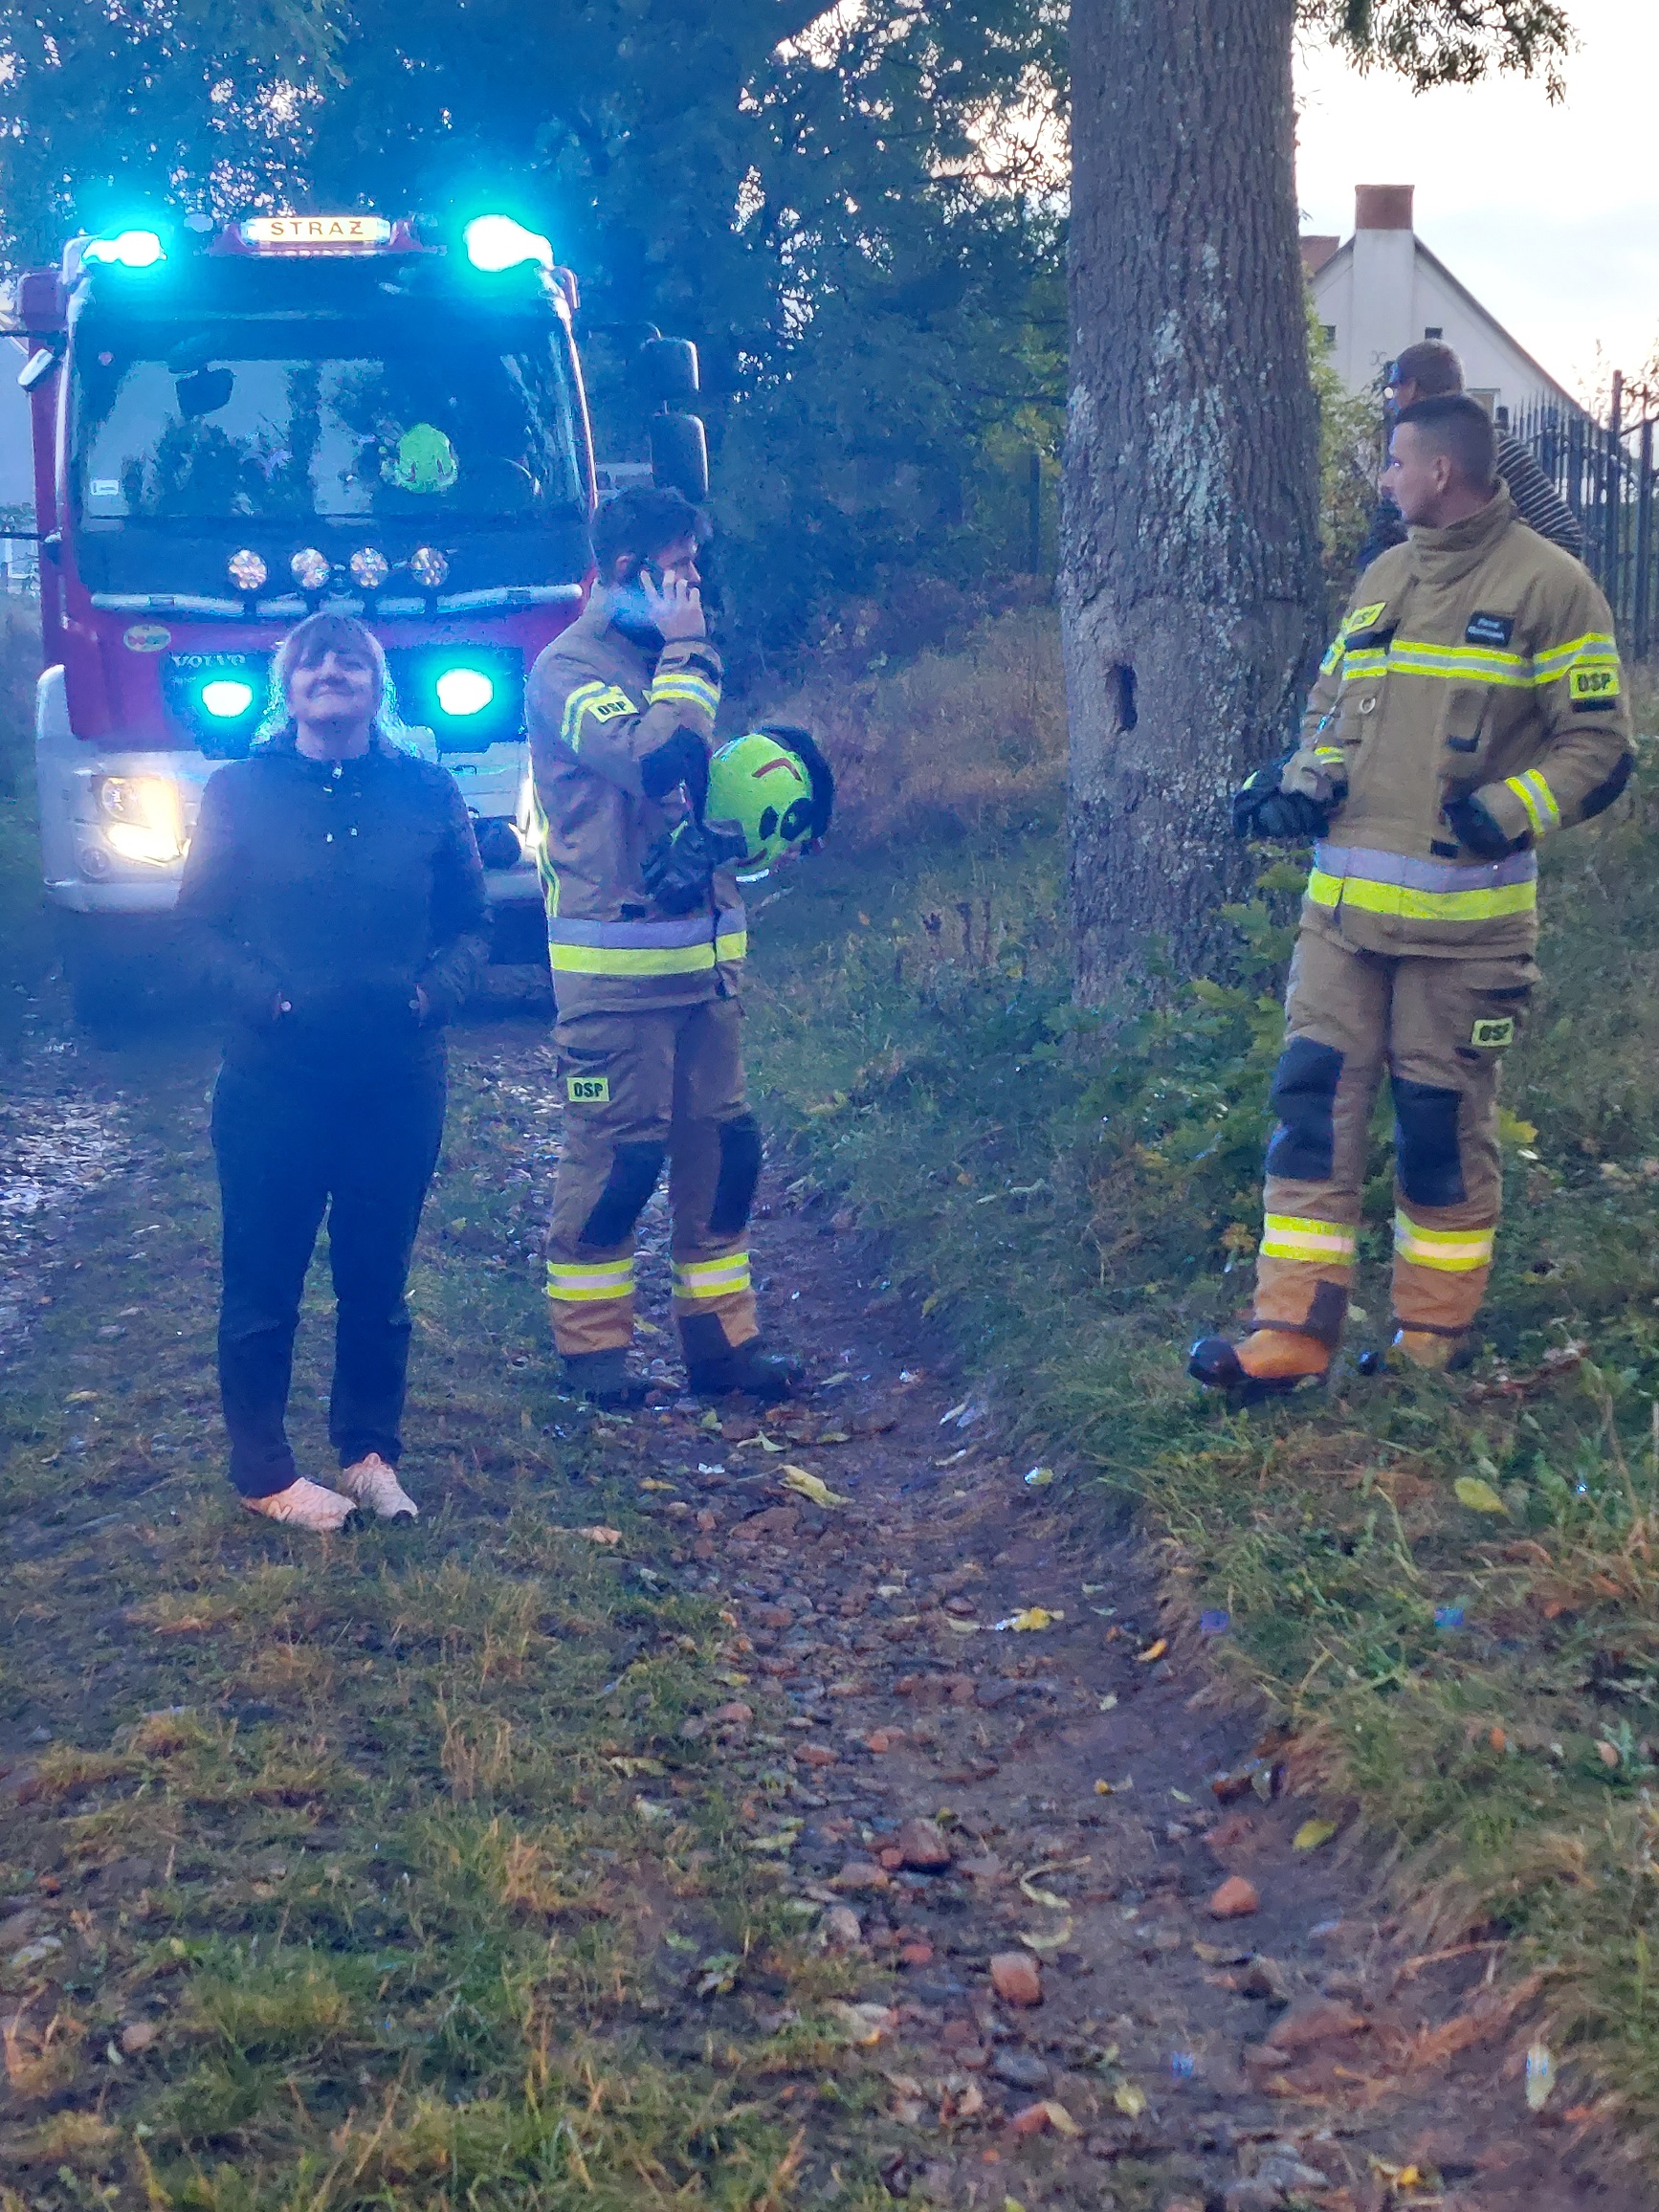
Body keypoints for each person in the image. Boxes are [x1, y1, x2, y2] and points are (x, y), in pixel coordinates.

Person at [1196, 394, 1632, 1396]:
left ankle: (1432, 1336)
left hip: (1465, 933)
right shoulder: (1384, 576)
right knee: (1311, 1107)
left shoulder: (1552, 586)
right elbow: (1329, 709)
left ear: (1441, 471)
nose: (1384, 479)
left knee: (1439, 1124)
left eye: (1394, 462)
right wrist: (1304, 780)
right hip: (1341, 922)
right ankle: (1290, 1330)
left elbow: (1600, 746)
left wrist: (1507, 811)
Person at [177, 612, 490, 1529]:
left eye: (350, 659)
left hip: (397, 1080)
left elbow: (472, 925)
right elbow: (196, 926)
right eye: (311, 660)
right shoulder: (239, 791)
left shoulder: (427, 792)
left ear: (377, 684)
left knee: (376, 1281)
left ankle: (368, 1455)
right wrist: (267, 1001)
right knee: (263, 1281)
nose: (330, 671)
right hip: (273, 1083)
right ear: (288, 686)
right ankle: (264, 1472)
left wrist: (431, 997)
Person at [525, 486, 813, 1409]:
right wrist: (690, 655)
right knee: (618, 1164)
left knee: (723, 1160)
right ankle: (592, 1353)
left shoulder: (674, 664)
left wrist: (762, 828)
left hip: (707, 971)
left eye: (695, 566)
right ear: (625, 573)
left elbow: (702, 794)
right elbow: (656, 764)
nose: (694, 585)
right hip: (616, 982)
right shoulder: (570, 670)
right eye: (678, 569)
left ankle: (724, 1344)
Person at [1355, 340, 1584, 571]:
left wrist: (1480, 580)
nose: (1392, 403)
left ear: (1412, 388)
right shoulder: (1410, 454)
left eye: (1394, 389)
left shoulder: (1496, 450)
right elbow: (1375, 553)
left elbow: (1563, 538)